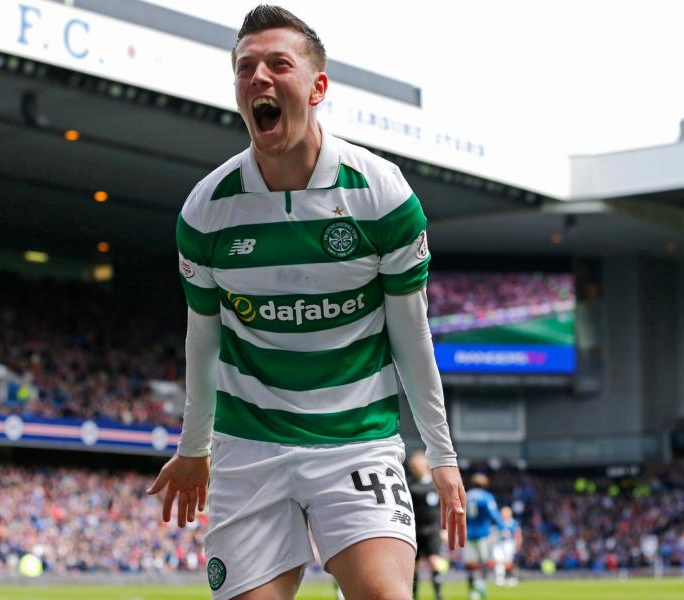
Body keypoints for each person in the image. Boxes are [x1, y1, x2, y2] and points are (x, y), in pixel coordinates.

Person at [147, 5, 467, 599]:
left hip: (356, 440)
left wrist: (441, 453)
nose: (258, 78)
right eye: (245, 68)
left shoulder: (381, 195)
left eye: (278, 64)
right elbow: (204, 339)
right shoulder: (207, 209)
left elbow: (411, 336)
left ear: (318, 86)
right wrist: (194, 447)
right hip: (249, 447)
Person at [407, 450, 446, 600]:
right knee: (413, 566)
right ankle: (414, 596)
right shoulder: (409, 484)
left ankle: (438, 595)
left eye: (415, 464)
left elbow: (442, 507)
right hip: (414, 530)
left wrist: (444, 529)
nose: (412, 466)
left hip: (432, 530)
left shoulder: (436, 483)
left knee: (434, 562)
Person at [463, 473, 505, 600]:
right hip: (483, 534)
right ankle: (480, 584)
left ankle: (472, 592)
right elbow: (493, 514)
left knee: (471, 564)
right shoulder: (486, 497)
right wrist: (502, 527)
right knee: (484, 562)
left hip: (468, 534)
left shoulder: (466, 496)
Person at [492, 506, 521, 587]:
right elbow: (493, 534)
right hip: (499, 544)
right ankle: (500, 578)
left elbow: (517, 535)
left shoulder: (513, 523)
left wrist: (517, 545)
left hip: (509, 543)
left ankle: (510, 577)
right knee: (499, 560)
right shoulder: (498, 522)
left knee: (508, 561)